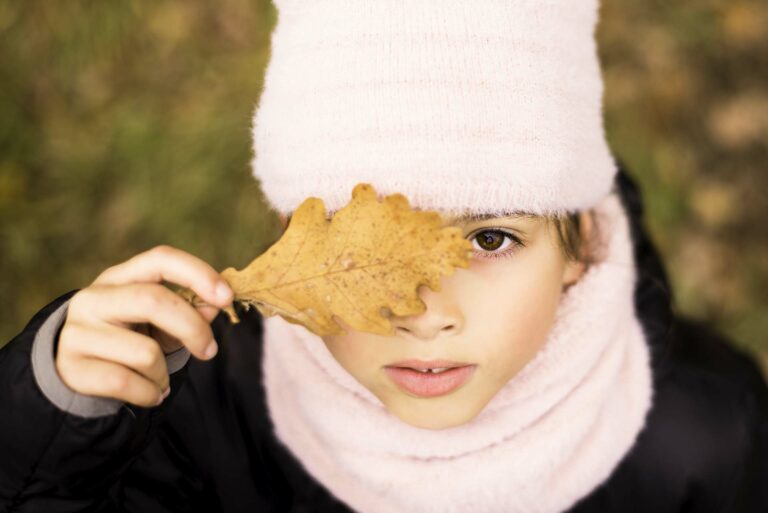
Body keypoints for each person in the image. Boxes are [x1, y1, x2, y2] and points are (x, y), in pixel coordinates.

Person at [1, 1, 766, 512]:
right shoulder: (195, 415)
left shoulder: (703, 434)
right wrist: (53, 423)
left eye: (490, 237)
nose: (423, 312)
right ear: (289, 228)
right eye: (364, 247)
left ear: (582, 244)